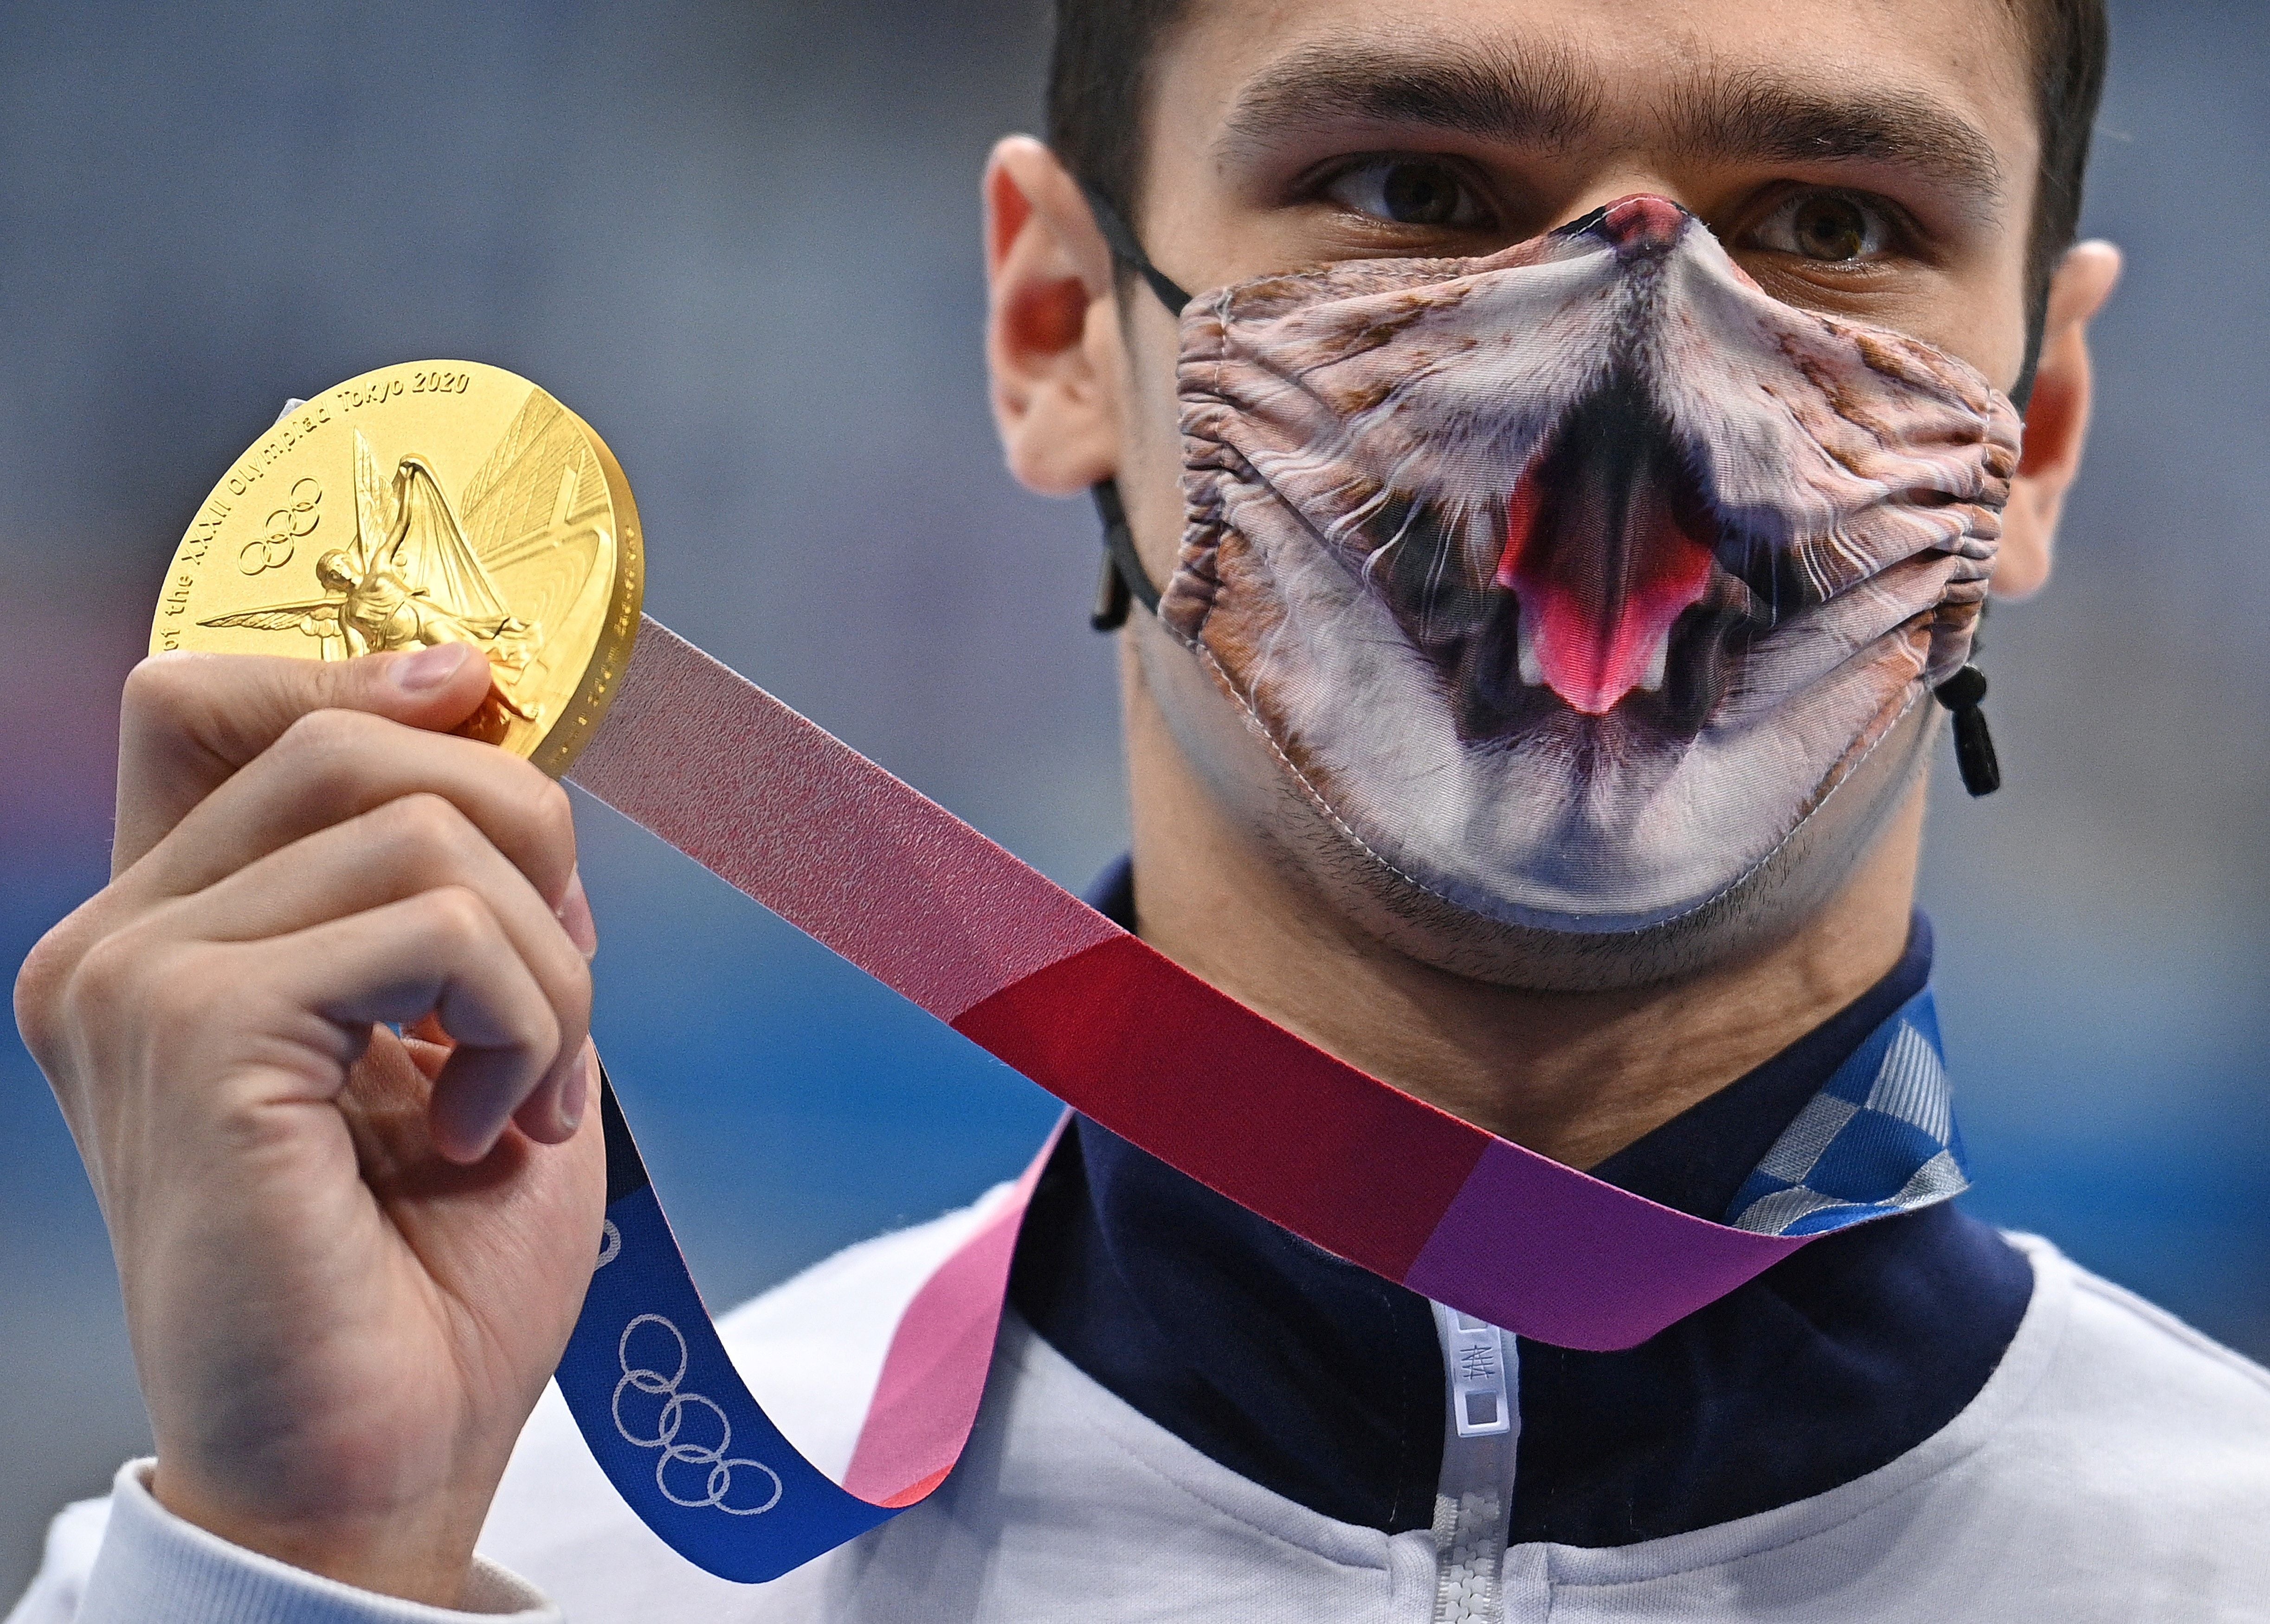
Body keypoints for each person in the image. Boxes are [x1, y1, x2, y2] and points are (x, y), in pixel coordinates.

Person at [12, 0, 2268, 1618]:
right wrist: (308, 1558)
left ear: (2039, 424)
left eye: (1830, 220)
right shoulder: (485, 1556)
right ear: (1055, 320)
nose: (1632, 362)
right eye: (1407, 188)